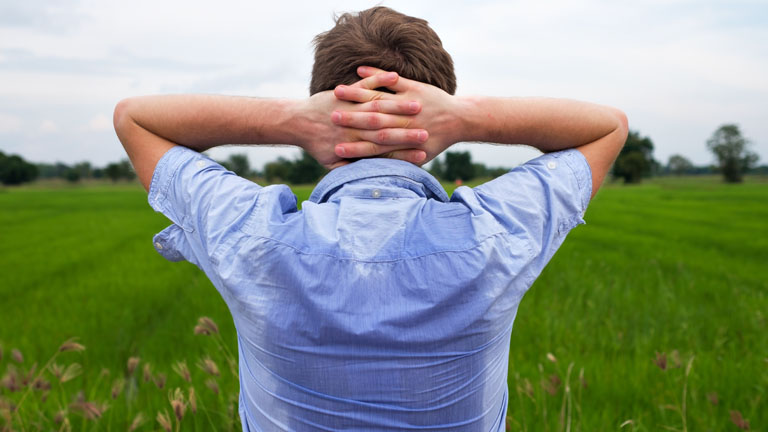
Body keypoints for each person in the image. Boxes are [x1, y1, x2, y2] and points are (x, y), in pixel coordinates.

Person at [113, 6, 627, 431]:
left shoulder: (253, 234)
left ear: (320, 102)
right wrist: (466, 117)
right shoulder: (493, 233)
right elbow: (607, 128)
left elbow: (135, 119)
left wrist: (293, 121)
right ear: (433, 111)